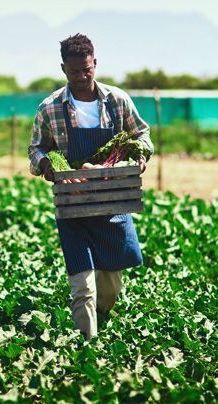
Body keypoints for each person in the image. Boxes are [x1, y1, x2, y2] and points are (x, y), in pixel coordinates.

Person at [28, 33, 154, 339]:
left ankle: (102, 318)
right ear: (63, 69)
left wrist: (140, 156)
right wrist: (46, 165)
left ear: (95, 63)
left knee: (110, 287)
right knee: (82, 286)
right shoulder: (50, 107)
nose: (82, 77)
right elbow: (36, 149)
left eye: (87, 69)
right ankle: (87, 346)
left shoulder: (118, 100)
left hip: (112, 201)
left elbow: (142, 135)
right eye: (74, 72)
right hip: (74, 204)